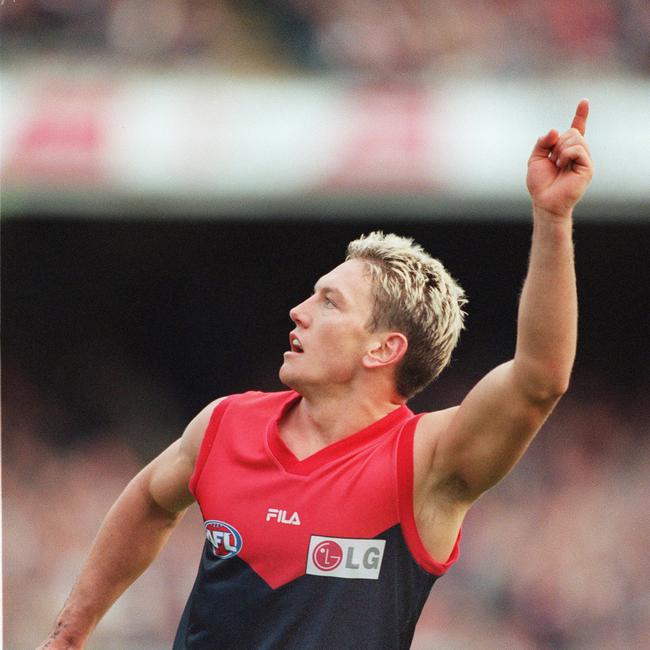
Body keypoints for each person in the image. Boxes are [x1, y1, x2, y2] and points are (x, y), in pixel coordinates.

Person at [39, 100, 593, 649]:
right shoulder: (225, 424)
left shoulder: (426, 461)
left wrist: (552, 219)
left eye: (329, 302)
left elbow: (539, 380)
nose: (298, 311)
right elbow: (150, 503)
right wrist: (70, 632)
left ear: (383, 349)